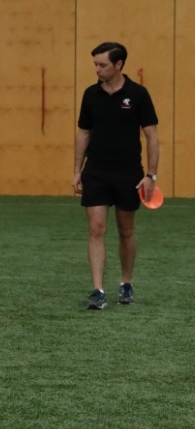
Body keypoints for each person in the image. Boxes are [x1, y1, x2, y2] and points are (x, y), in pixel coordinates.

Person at [73, 42, 159, 310]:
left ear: (119, 64)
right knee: (96, 230)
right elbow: (84, 133)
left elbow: (152, 136)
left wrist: (151, 176)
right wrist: (77, 169)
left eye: (103, 65)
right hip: (96, 172)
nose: (97, 69)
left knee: (126, 231)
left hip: (128, 173)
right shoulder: (90, 95)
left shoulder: (139, 94)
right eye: (95, 65)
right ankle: (98, 291)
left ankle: (126, 283)